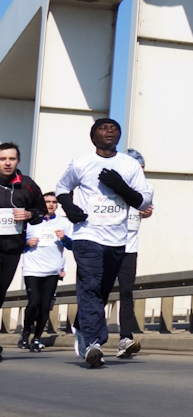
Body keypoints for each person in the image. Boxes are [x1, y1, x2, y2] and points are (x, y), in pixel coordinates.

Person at [56, 119, 152, 368]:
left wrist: (121, 187)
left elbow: (143, 202)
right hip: (87, 235)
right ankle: (93, 343)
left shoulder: (129, 165)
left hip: (117, 240)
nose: (110, 131)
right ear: (93, 137)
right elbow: (62, 188)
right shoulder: (81, 163)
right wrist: (69, 207)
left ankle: (82, 328)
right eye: (103, 128)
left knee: (102, 291)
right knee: (90, 285)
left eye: (114, 128)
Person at [0, 143, 48, 361]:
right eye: (2, 159)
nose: (7, 163)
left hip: (12, 248)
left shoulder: (27, 185)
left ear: (18, 161)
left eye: (11, 159)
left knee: (0, 292)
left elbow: (42, 211)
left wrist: (29, 215)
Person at [20, 192, 71, 352]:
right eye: (47, 201)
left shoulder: (63, 222)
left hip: (52, 271)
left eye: (54, 202)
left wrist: (64, 238)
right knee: (33, 303)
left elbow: (72, 245)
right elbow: (15, 245)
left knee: (45, 306)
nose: (50, 204)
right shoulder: (30, 222)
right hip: (33, 270)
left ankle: (36, 338)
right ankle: (26, 332)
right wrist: (27, 243)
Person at [115, 148, 153, 359]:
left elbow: (145, 211)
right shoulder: (113, 185)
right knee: (100, 291)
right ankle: (85, 329)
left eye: (142, 167)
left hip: (130, 247)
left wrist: (147, 213)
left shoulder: (147, 188)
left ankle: (125, 338)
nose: (140, 171)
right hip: (109, 244)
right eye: (136, 167)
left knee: (126, 292)